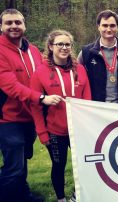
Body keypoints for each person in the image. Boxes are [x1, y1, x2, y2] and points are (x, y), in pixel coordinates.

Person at [0, 9, 62, 202]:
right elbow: (11, 86)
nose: (14, 26)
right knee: (14, 165)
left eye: (17, 22)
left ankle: (22, 193)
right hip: (8, 118)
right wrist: (41, 97)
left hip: (31, 116)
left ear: (24, 25)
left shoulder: (33, 50)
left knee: (22, 159)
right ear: (1, 26)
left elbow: (48, 71)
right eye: (8, 23)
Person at [30, 30, 91, 202]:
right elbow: (35, 105)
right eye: (60, 44)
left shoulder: (80, 69)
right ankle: (60, 198)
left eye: (67, 44)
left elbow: (88, 99)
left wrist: (87, 127)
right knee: (59, 165)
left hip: (79, 131)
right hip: (55, 131)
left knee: (85, 165)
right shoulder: (40, 72)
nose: (64, 48)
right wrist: (42, 133)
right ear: (50, 46)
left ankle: (77, 196)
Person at [78, 9, 118, 104]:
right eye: (105, 25)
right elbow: (78, 80)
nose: (109, 29)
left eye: (112, 25)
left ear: (117, 27)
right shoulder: (86, 53)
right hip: (95, 108)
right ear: (98, 27)